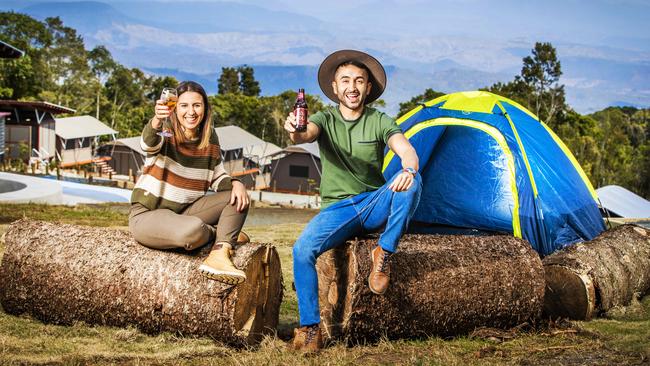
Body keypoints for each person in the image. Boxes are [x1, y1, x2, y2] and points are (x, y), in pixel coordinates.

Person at [284, 50, 422, 352]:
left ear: (368, 88)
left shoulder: (380, 120)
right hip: (338, 209)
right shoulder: (324, 118)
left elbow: (408, 152)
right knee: (302, 249)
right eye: (345, 80)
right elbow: (305, 134)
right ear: (335, 88)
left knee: (414, 181)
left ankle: (383, 253)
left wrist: (409, 169)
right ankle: (310, 329)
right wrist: (294, 129)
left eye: (359, 81)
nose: (353, 87)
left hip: (374, 203)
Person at [129, 80, 250, 285]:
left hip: (186, 211)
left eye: (197, 105)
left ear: (205, 108)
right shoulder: (166, 130)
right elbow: (148, 143)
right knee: (192, 230)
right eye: (184, 105)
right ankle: (221, 232)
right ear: (175, 108)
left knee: (239, 197)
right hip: (148, 214)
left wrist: (237, 183)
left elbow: (217, 175)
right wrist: (157, 121)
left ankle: (220, 253)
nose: (191, 112)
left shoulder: (209, 136)